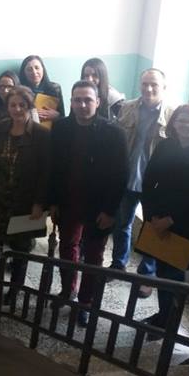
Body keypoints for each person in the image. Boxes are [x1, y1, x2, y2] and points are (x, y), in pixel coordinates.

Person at [47, 81, 128, 326]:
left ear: (98, 102)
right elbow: (53, 168)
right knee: (67, 248)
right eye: (77, 100)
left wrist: (110, 210)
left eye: (88, 100)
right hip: (68, 201)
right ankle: (68, 289)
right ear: (71, 102)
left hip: (99, 206)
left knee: (93, 256)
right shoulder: (60, 128)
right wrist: (53, 201)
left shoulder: (114, 133)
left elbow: (120, 175)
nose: (82, 105)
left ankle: (85, 302)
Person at [137, 105, 189, 338]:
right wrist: (152, 217)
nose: (186, 125)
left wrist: (171, 220)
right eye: (181, 120)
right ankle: (163, 316)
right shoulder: (164, 146)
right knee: (162, 273)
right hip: (157, 220)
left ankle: (169, 323)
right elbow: (149, 182)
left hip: (184, 225)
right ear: (173, 123)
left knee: (173, 276)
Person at [0, 87, 51, 299]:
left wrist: (39, 203)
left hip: (25, 203)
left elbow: (46, 173)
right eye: (12, 105)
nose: (17, 109)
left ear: (29, 106)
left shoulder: (42, 135)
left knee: (20, 249)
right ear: (7, 107)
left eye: (22, 105)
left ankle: (14, 289)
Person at [108, 68, 174, 285]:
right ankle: (118, 264)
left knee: (152, 229)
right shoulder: (127, 108)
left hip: (155, 183)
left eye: (154, 85)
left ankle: (147, 274)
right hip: (127, 177)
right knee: (122, 224)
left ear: (164, 87)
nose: (148, 89)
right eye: (145, 84)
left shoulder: (172, 115)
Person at [19, 55, 63, 125]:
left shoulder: (55, 88)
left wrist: (57, 115)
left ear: (42, 69)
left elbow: (63, 116)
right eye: (29, 69)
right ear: (24, 73)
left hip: (54, 128)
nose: (34, 72)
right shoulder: (19, 91)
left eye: (37, 68)